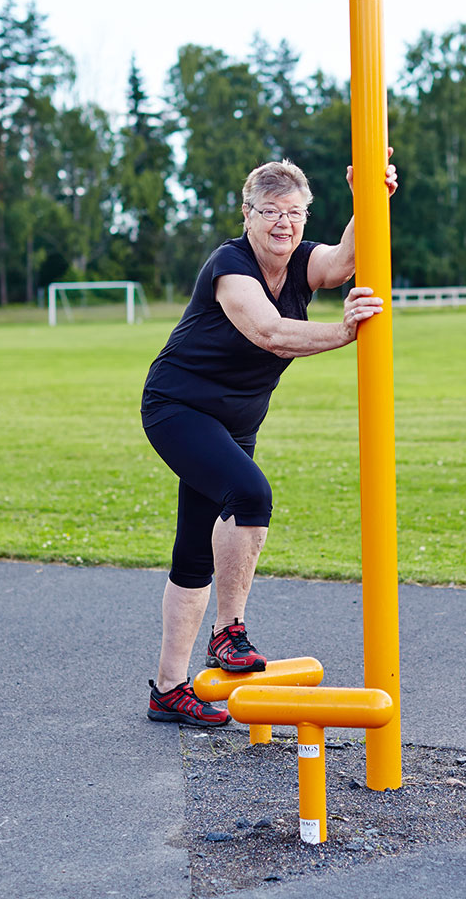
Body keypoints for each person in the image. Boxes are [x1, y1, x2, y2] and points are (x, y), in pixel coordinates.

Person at [142, 152, 398, 726]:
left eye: (296, 212)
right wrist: (343, 331)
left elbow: (346, 260)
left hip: (234, 422)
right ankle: (228, 635)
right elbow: (269, 331)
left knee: (192, 552)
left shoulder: (303, 262)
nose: (285, 223)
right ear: (247, 215)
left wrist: (369, 195)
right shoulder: (230, 265)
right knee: (250, 496)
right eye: (271, 212)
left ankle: (167, 689)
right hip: (178, 408)